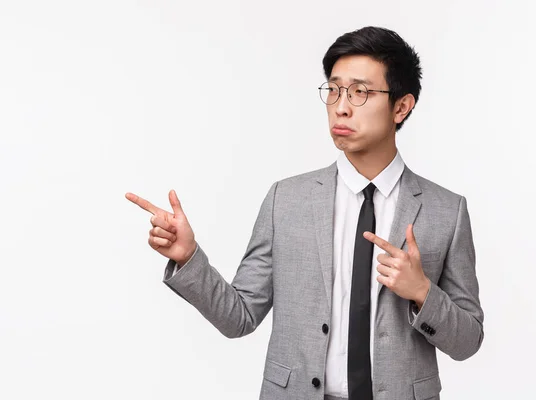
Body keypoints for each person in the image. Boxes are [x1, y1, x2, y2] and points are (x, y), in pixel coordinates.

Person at [126, 26, 484, 400]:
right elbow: (240, 317)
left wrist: (422, 292)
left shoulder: (447, 210)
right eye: (333, 90)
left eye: (360, 92)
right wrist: (188, 258)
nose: (341, 106)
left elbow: (468, 341)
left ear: (401, 106)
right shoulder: (287, 199)